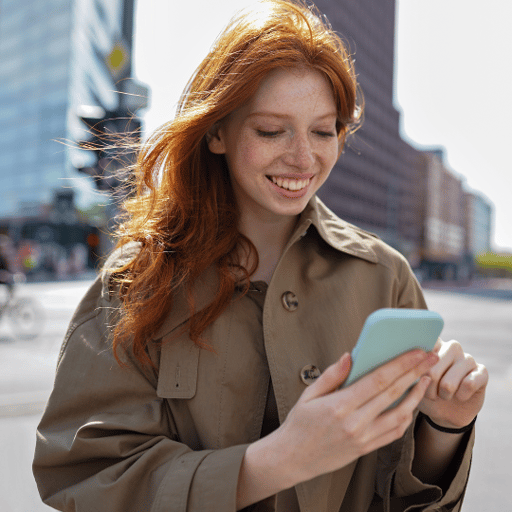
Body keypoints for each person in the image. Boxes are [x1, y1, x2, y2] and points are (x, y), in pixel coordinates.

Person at [33, 1, 488, 511]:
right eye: (271, 130)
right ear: (217, 132)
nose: (303, 158)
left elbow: (404, 495)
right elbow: (85, 478)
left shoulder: (386, 278)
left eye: (324, 131)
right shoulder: (137, 281)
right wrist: (277, 462)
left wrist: (445, 427)